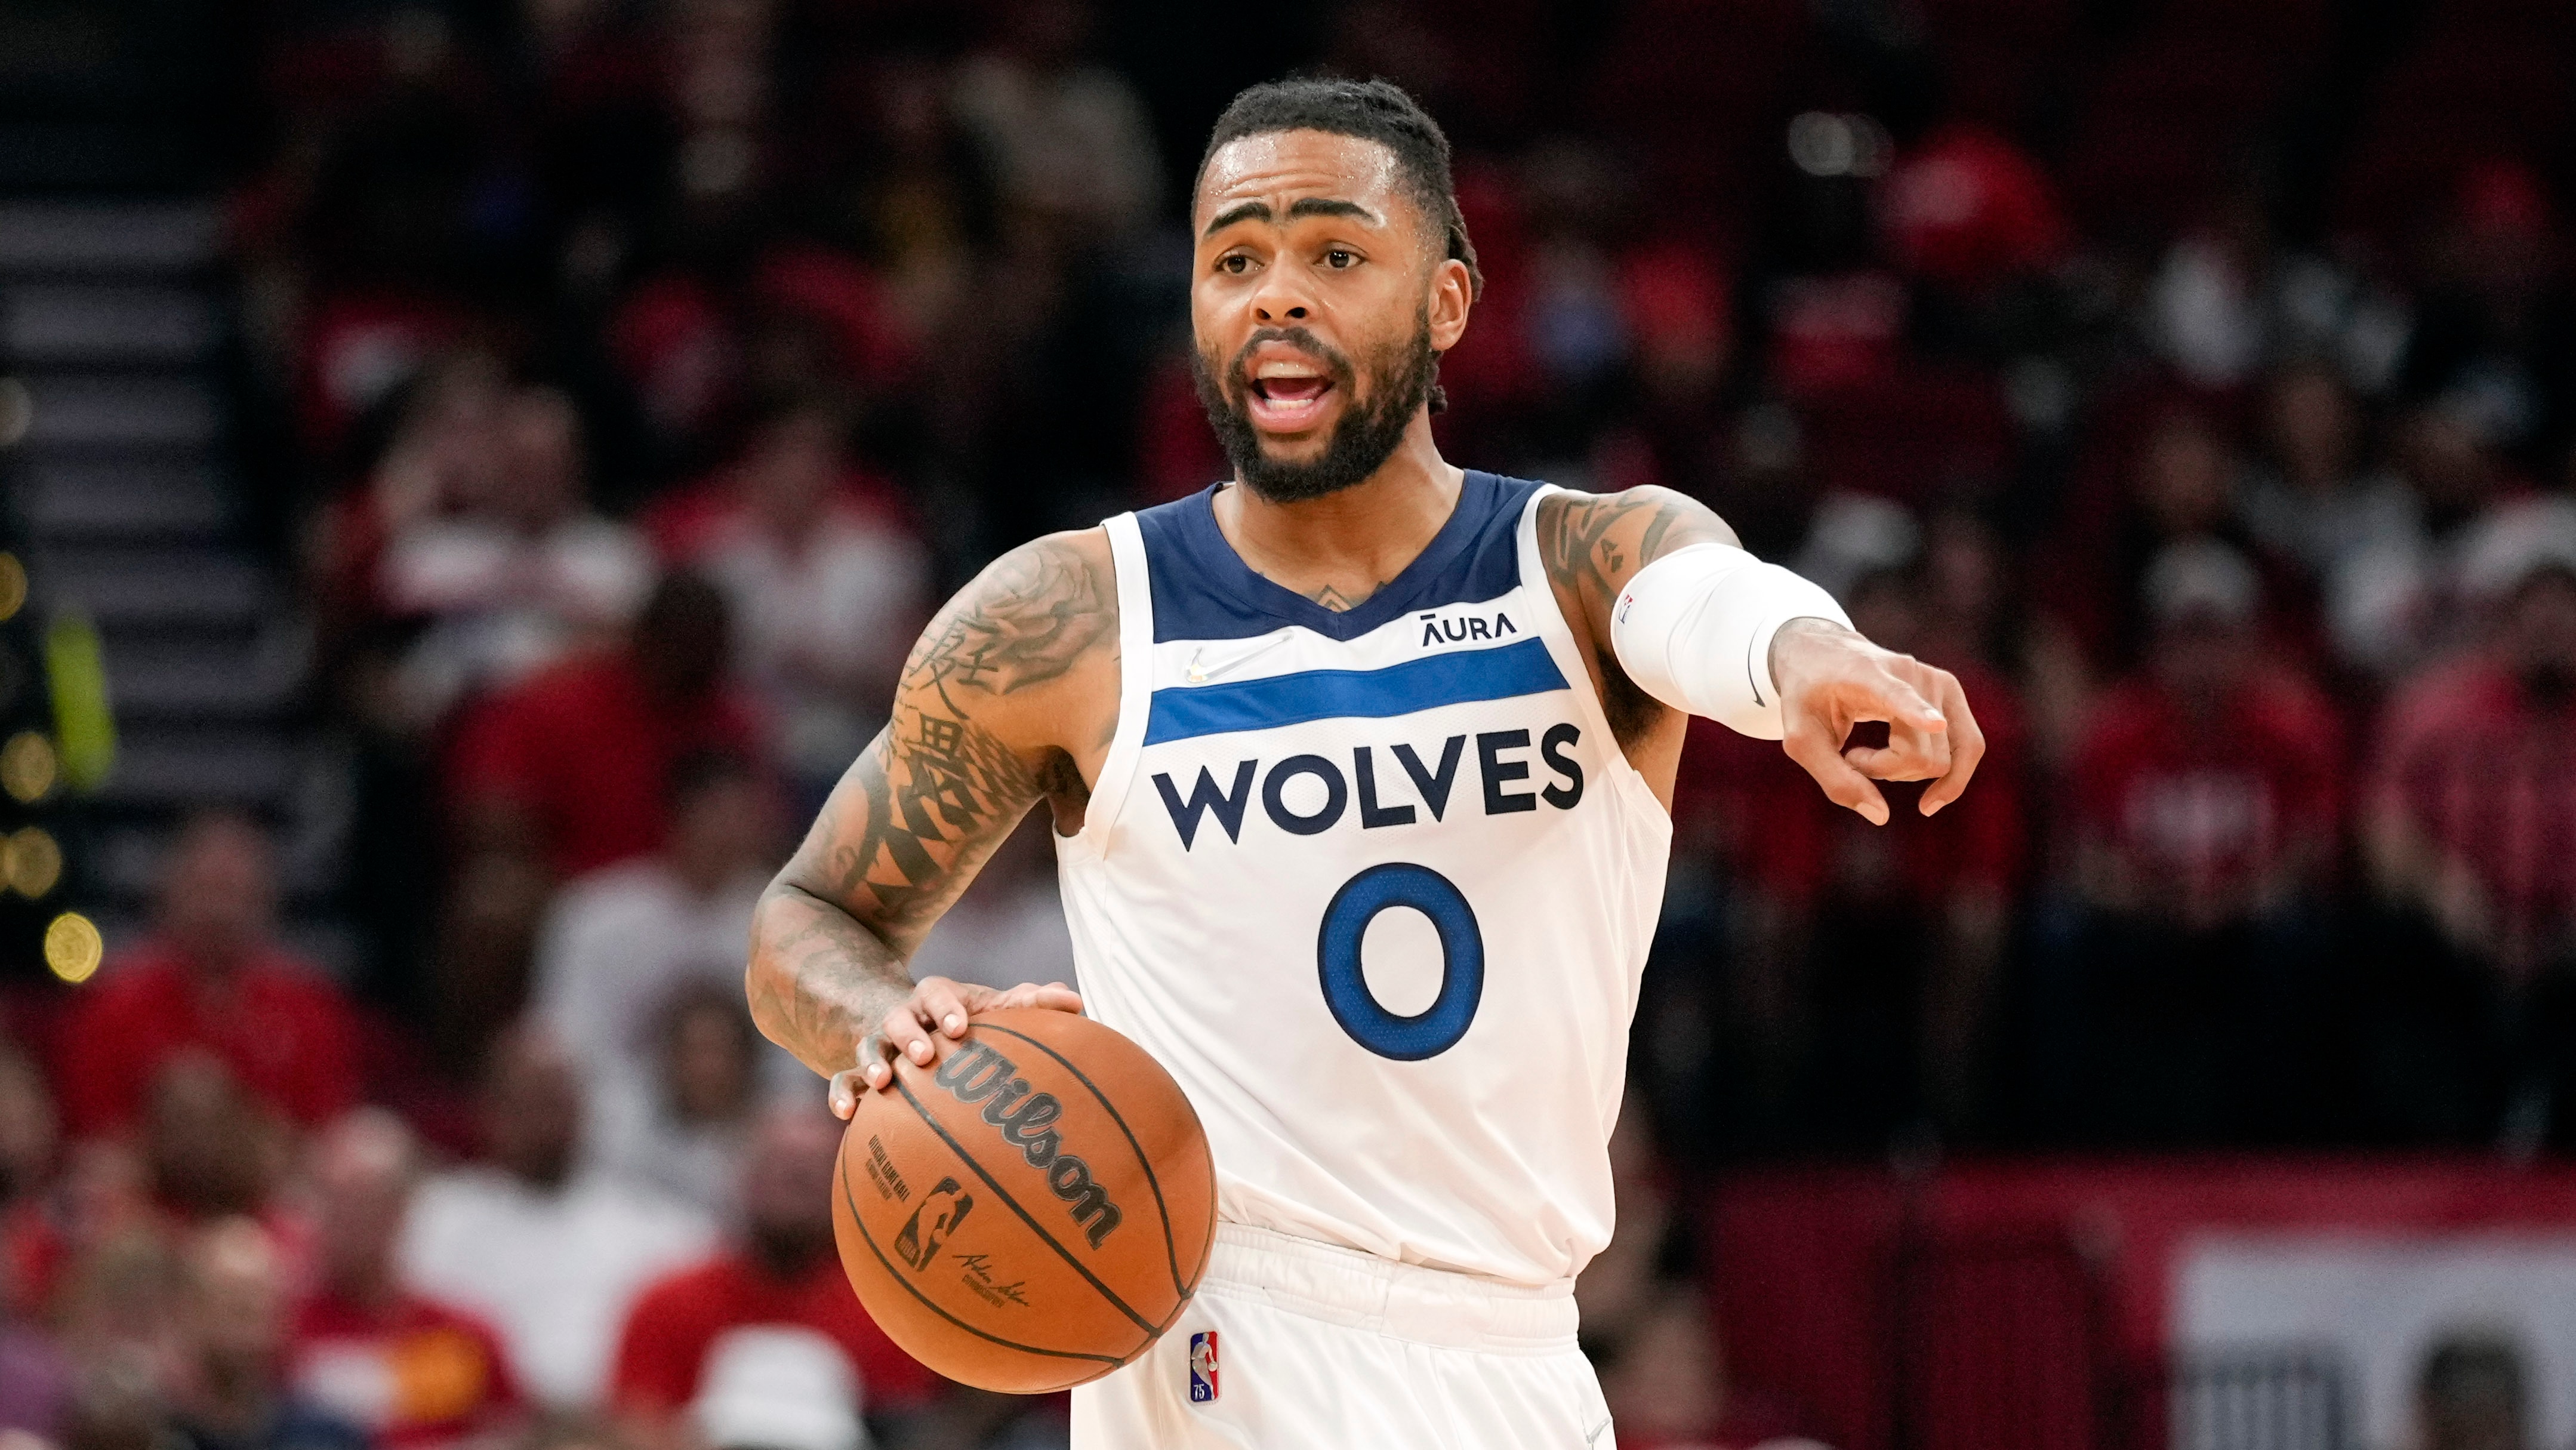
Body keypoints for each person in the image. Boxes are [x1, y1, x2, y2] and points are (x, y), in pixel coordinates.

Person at [744, 79, 1983, 1447]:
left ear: (1447, 303)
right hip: (1216, 1334)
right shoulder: (1068, 618)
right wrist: (876, 1028)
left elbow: (1703, 600)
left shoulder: (1573, 566)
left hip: (1508, 1351)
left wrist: (1808, 660)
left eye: (1333, 253)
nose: (1275, 295)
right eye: (1234, 260)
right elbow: (808, 921)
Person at [609, 1103, 1013, 1450]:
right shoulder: (668, 1301)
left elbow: (915, 1428)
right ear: (742, 1176)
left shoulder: (893, 1313)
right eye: (780, 1166)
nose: (793, 1184)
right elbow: (635, 1425)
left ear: (847, 1185)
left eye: (809, 1171)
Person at [532, 749, 798, 1209]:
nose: (729, 832)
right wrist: (644, 1118)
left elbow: (793, 1066)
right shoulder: (595, 916)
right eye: (717, 814)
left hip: (746, 1125)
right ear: (678, 817)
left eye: (743, 816)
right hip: (621, 1125)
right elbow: (569, 1045)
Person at [399, 1024, 713, 1409]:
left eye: (555, 1100)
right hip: (482, 1421)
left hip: (607, 1424)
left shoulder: (649, 1227)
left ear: (582, 1108)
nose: (543, 1120)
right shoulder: (438, 1218)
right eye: (527, 1101)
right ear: (491, 1110)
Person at [53, 813, 365, 1140]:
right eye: (205, 890)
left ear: (267, 899)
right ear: (168, 893)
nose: (219, 910)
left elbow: (326, 1136)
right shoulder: (112, 1007)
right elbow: (92, 1139)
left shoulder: (310, 1010)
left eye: (233, 891)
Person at [288, 1110, 523, 1449]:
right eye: (332, 1201)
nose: (346, 1222)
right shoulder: (284, 1330)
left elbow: (515, 1432)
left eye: (364, 1204)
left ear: (403, 1211)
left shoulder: (466, 1335)